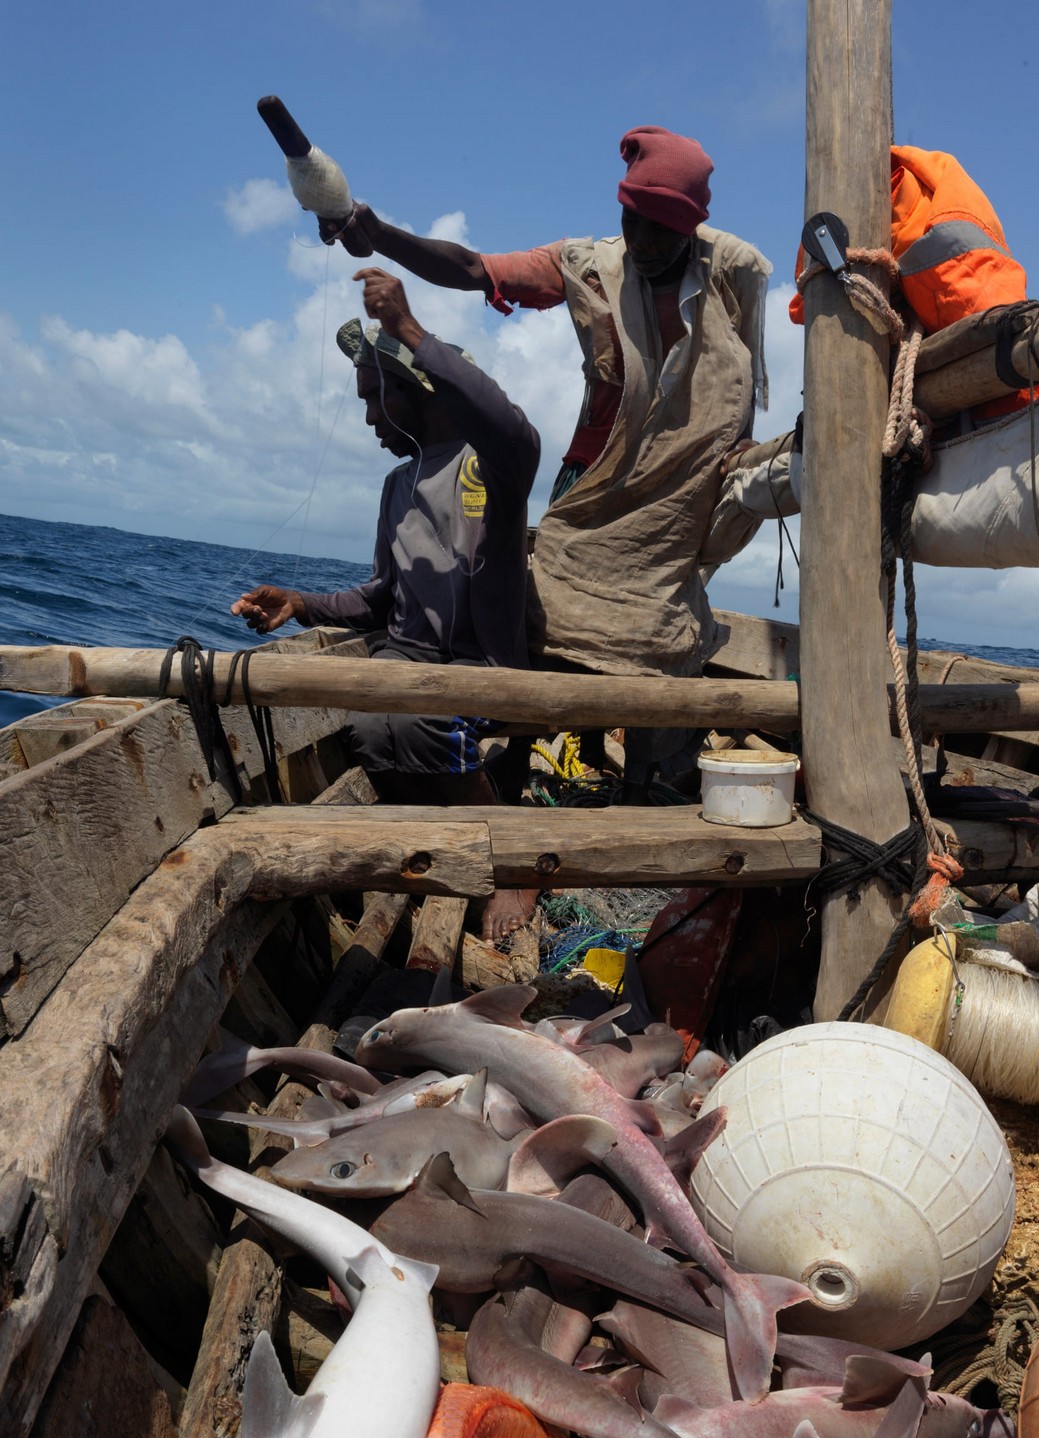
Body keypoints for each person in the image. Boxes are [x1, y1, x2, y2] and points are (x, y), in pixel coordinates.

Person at [320, 126, 772, 793]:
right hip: (590, 483)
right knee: (546, 628)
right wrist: (379, 233)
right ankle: (533, 782)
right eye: (632, 223)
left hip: (678, 490)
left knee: (660, 629)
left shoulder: (733, 273)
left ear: (691, 230)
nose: (642, 244)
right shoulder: (592, 265)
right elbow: (477, 269)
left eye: (661, 233)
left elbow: (740, 386)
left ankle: (644, 776)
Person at [231, 268, 540, 941]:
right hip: (408, 664)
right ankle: (420, 843)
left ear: (417, 395)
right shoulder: (397, 486)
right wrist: (302, 603)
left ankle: (510, 862)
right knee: (369, 722)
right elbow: (379, 597)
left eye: (377, 399)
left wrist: (407, 329)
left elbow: (516, 432)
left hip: (478, 671)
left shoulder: (489, 465)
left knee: (419, 716)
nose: (370, 416)